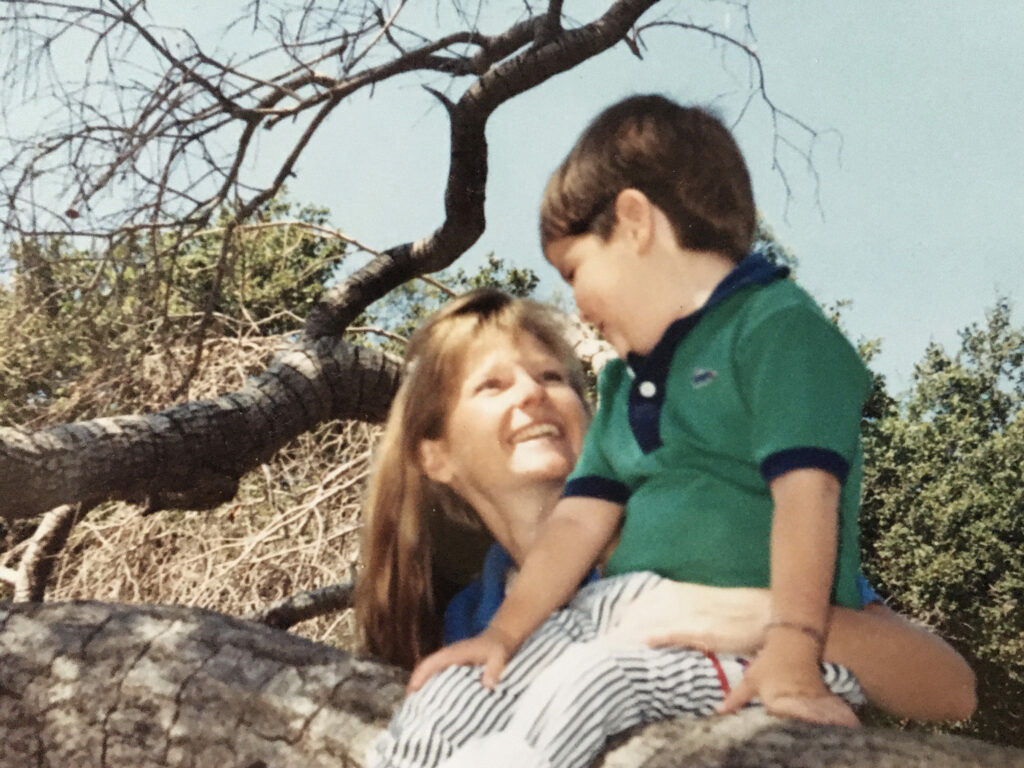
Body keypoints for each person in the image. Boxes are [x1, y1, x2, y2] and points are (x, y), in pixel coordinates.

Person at [357, 288, 975, 768]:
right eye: (491, 384)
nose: (533, 394)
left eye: (552, 378)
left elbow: (950, 688)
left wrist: (741, 616)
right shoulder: (473, 618)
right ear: (435, 455)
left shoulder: (698, 523)